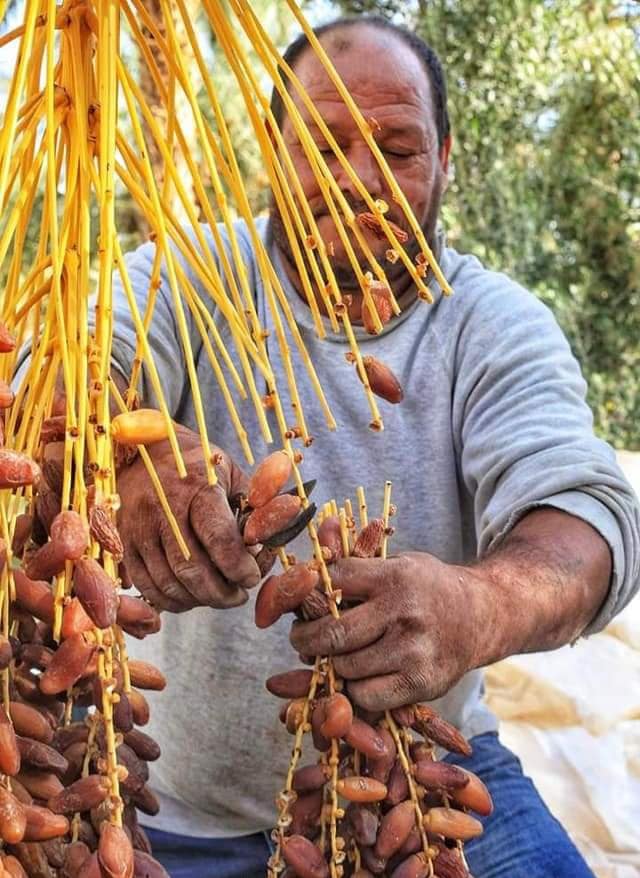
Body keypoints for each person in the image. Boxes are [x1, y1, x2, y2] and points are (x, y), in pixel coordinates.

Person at [109, 15, 640, 878]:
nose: (361, 182)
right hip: (177, 811)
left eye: (397, 149)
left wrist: (479, 607)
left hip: (419, 775)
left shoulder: (490, 324)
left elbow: (586, 516)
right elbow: (81, 373)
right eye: (322, 146)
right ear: (274, 155)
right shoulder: (186, 277)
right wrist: (135, 460)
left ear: (447, 158)